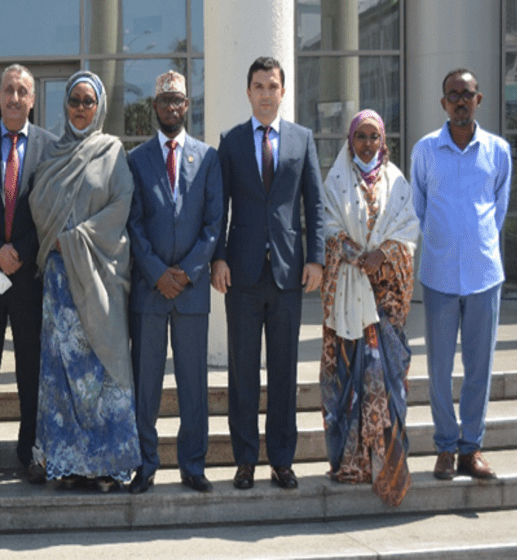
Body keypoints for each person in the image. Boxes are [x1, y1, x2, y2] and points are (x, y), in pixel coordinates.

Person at [211, 57, 323, 491]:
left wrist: (315, 258)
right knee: (242, 373)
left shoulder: (302, 140)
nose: (264, 93)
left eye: (272, 86)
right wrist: (218, 258)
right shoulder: (231, 141)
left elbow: (313, 204)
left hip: (288, 273)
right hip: (240, 275)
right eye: (257, 85)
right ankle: (244, 461)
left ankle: (281, 460)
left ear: (282, 91)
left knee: (283, 371)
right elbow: (219, 208)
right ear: (248, 91)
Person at [29, 70, 140, 493]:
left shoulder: (112, 152)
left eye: (87, 101)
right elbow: (39, 203)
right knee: (61, 372)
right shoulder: (53, 154)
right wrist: (57, 241)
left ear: (100, 108)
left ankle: (108, 464)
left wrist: (74, 239)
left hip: (100, 279)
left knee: (102, 369)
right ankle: (67, 463)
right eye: (74, 100)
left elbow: (121, 205)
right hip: (59, 284)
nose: (80, 108)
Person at [411, 68, 511, 481]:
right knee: (438, 368)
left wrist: (476, 241)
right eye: (453, 94)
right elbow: (419, 207)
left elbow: (498, 208)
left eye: (467, 93)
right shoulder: (425, 151)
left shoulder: (497, 150)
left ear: (479, 99)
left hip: (484, 274)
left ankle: (472, 448)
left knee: (478, 368)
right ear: (443, 103)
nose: (460, 100)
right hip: (438, 276)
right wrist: (444, 241)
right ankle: (445, 448)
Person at [126, 70, 223, 494]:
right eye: (164, 101)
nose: (171, 107)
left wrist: (186, 272)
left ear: (187, 106)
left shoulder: (207, 157)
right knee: (146, 384)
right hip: (150, 291)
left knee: (193, 385)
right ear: (155, 108)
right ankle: (145, 464)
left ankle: (192, 464)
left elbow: (214, 222)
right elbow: (132, 224)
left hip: (191, 290)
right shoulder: (136, 159)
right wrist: (156, 273)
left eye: (178, 100)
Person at [319, 110, 420, 507]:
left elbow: (409, 230)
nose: (366, 144)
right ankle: (351, 463)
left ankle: (386, 464)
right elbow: (325, 225)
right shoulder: (336, 179)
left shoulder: (397, 182)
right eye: (360, 136)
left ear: (383, 142)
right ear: (350, 140)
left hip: (385, 302)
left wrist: (384, 254)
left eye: (373, 137)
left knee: (387, 382)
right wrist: (350, 250)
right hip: (348, 300)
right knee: (347, 383)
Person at [0, 64, 56, 486]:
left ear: (33, 100)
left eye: (23, 91)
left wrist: (21, 250)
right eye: (8, 90)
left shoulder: (51, 148)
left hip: (28, 275)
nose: (15, 98)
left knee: (30, 367)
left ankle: (29, 451)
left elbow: (52, 214)